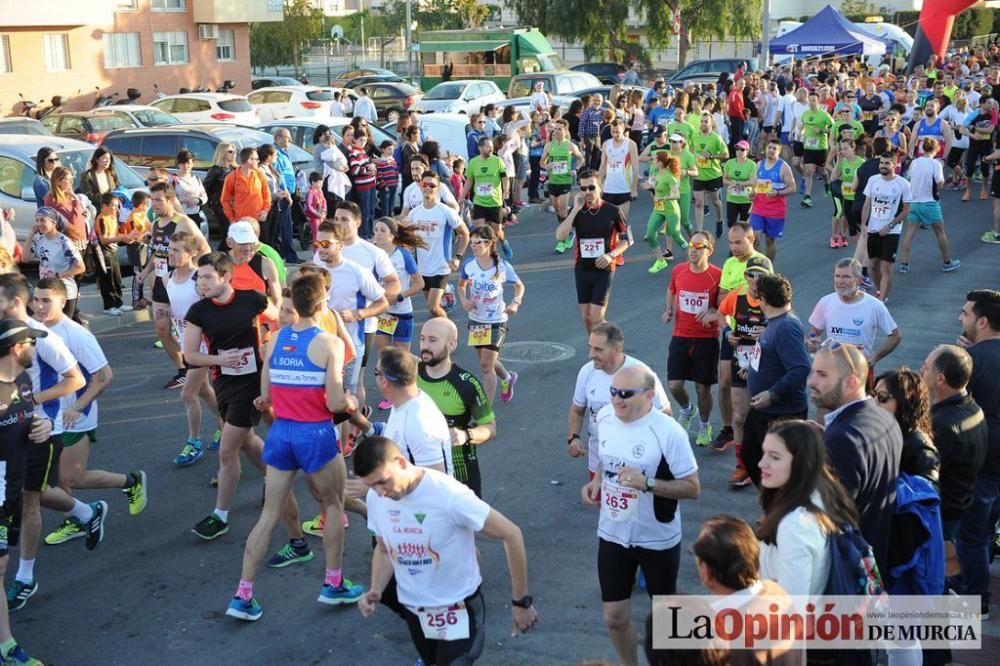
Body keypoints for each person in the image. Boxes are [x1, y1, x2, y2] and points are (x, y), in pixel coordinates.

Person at [225, 272, 363, 622]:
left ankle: (243, 595)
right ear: (321, 305)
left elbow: (265, 398)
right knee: (332, 506)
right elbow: (334, 403)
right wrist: (350, 399)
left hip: (282, 434)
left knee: (269, 515)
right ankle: (332, 584)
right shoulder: (329, 343)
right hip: (314, 434)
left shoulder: (275, 339)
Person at [356, 435, 538, 665]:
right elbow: (383, 550)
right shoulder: (376, 499)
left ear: (401, 462)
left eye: (383, 481)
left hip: (459, 607)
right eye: (371, 485)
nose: (380, 492)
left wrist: (521, 601)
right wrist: (376, 588)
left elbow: (511, 534)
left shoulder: (448, 494)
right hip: (415, 610)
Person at [581, 364, 699, 666]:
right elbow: (606, 464)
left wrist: (647, 484)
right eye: (613, 392)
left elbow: (692, 488)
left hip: (657, 537)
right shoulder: (605, 418)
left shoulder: (668, 432)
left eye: (625, 394)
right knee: (613, 618)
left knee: (666, 617)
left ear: (649, 396)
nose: (617, 399)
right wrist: (595, 483)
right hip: (613, 533)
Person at [30, 277, 148, 544]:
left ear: (63, 300)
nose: (39, 306)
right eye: (36, 299)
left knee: (72, 476)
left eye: (46, 300)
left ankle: (131, 482)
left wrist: (77, 406)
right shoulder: (33, 329)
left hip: (74, 415)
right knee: (59, 476)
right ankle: (76, 519)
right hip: (47, 416)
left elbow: (104, 375)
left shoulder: (76, 334)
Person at [183, 252, 279, 540]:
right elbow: (190, 355)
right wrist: (221, 361)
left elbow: (281, 321)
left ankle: (220, 515)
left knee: (227, 451)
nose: (202, 283)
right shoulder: (199, 311)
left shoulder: (253, 299)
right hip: (224, 383)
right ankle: (276, 478)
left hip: (253, 383)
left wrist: (270, 348)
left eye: (208, 277)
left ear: (226, 277)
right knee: (247, 440)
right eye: (199, 278)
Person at [808, 338, 902, 571]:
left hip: (847, 572)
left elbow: (829, 519)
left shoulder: (843, 439)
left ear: (851, 382)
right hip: (876, 560)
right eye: (812, 372)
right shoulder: (885, 419)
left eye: (822, 374)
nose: (811, 381)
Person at [0, 318, 55, 666]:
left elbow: (29, 418)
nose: (36, 348)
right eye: (31, 342)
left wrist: (42, 425)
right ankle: (6, 646)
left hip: (11, 492)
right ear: (17, 347)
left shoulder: (21, 381)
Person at [757, 420, 861, 595]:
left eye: (774, 457)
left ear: (801, 463)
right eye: (764, 453)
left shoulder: (795, 525)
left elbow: (792, 611)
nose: (762, 463)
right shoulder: (825, 494)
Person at [567, 322, 671, 481]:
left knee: (634, 506)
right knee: (602, 505)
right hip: (598, 461)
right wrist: (573, 438)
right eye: (590, 347)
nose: (591, 355)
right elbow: (577, 410)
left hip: (635, 465)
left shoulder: (641, 374)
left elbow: (665, 416)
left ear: (617, 349)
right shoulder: (587, 372)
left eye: (598, 349)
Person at [138, 181, 211, 390]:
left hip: (181, 281)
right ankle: (183, 370)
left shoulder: (184, 222)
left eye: (159, 200)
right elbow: (158, 251)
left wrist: (194, 274)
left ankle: (201, 366)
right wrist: (146, 271)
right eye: (152, 200)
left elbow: (204, 248)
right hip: (162, 284)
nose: (155, 205)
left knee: (187, 328)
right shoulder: (155, 224)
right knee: (162, 329)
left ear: (170, 199)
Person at [741, 274, 810, 488]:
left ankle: (779, 508)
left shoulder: (786, 327)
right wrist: (753, 367)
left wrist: (772, 394)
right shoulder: (776, 323)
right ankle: (772, 504)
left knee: (779, 470)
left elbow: (801, 368)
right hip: (765, 411)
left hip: (781, 412)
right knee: (752, 455)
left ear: (764, 299)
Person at [956, 289, 1000, 616]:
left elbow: (954, 409)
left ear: (982, 321)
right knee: (986, 530)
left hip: (982, 459)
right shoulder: (978, 356)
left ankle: (976, 600)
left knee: (971, 535)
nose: (961, 318)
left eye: (966, 313)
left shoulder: (972, 361)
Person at [332, 202, 400, 414]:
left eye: (344, 219)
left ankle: (353, 429)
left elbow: (394, 284)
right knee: (332, 377)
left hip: (362, 326)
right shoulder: (325, 249)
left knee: (355, 379)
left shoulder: (371, 252)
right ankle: (352, 419)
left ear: (358, 222)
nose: (339, 224)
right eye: (336, 219)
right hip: (329, 324)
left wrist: (366, 307)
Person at [417, 317, 496, 498]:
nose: (425, 346)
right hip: (419, 468)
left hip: (460, 470)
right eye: (422, 338)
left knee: (462, 525)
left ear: (451, 345)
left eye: (433, 340)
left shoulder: (467, 384)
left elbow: (491, 428)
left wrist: (466, 435)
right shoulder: (412, 374)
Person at [165, 231, 222, 466]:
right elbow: (174, 307)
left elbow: (211, 308)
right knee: (203, 390)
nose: (170, 253)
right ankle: (226, 423)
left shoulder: (198, 279)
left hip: (202, 344)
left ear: (191, 253)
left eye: (176, 250)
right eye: (170, 249)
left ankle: (194, 442)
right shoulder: (168, 276)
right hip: (185, 340)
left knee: (187, 393)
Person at [922, 344, 988, 545]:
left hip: (940, 516)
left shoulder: (942, 424)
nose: (921, 371)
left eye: (926, 368)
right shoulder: (973, 408)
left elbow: (921, 473)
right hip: (959, 507)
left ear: (940, 378)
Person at [715, 253, 772, 488]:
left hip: (767, 364)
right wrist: (728, 333)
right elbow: (720, 314)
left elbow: (787, 324)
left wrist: (767, 334)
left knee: (763, 418)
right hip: (741, 359)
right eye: (751, 274)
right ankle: (742, 466)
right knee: (739, 417)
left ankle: (765, 464)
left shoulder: (774, 299)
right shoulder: (736, 296)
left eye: (760, 275)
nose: (754, 279)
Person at [555, 170, 633, 334]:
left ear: (601, 187)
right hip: (582, 268)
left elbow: (627, 240)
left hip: (604, 268)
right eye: (583, 189)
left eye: (591, 187)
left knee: (597, 317)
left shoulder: (613, 211)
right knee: (586, 318)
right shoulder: (577, 211)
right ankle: (594, 348)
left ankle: (606, 344)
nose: (587, 192)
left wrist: (611, 254)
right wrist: (575, 209)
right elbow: (560, 236)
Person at [664, 231, 722, 446]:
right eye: (691, 245)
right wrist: (668, 309)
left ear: (709, 251)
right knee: (674, 385)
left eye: (699, 246)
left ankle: (705, 424)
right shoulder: (678, 270)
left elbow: (726, 302)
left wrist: (714, 311)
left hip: (706, 338)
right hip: (681, 335)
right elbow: (671, 290)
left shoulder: (717, 275)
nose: (693, 249)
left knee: (702, 387)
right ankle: (688, 410)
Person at [807, 258, 902, 386]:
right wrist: (812, 340)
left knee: (859, 406)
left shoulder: (874, 306)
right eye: (837, 276)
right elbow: (815, 331)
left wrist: (875, 358)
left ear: (859, 279)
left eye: (846, 277)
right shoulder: (826, 302)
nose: (840, 281)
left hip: (860, 371)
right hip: (832, 369)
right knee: (829, 405)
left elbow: (895, 336)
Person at [457, 224, 523, 403]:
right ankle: (508, 378)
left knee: (486, 366)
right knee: (487, 362)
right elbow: (461, 286)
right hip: (476, 320)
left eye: (478, 242)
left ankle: (485, 411)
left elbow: (519, 286)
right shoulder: (469, 265)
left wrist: (515, 303)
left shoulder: (502, 267)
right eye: (472, 242)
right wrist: (464, 301)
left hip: (497, 321)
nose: (474, 246)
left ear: (490, 243)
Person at [406, 172, 470, 319]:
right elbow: (409, 238)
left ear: (438, 187)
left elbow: (465, 233)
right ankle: (441, 334)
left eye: (432, 185)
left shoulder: (446, 211)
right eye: (425, 185)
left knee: (433, 307)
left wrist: (458, 257)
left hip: (441, 266)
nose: (428, 188)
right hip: (422, 267)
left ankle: (449, 332)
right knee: (432, 310)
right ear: (420, 186)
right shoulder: (414, 213)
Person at [897, 137, 961, 273]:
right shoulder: (935, 164)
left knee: (909, 234)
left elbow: (909, 179)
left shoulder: (914, 162)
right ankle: (947, 262)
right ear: (936, 149)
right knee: (940, 232)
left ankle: (904, 263)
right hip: (930, 203)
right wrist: (936, 190)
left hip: (914, 203)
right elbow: (940, 182)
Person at [371, 217, 426, 360]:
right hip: (382, 313)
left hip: (402, 313)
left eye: (383, 230)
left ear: (392, 235)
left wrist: (399, 296)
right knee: (385, 357)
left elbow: (420, 284)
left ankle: (416, 364)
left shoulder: (403, 255)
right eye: (376, 230)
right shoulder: (372, 254)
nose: (378, 233)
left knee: (401, 359)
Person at [872, 368, 940, 483]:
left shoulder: (920, 448)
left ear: (904, 401)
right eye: (873, 394)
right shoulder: (881, 430)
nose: (873, 402)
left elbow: (927, 492)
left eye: (882, 397)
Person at [860, 153, 911, 301]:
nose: (883, 166)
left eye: (887, 163)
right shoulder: (873, 180)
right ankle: (879, 291)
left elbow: (907, 209)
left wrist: (890, 226)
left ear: (894, 165)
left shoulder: (903, 184)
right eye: (881, 163)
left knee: (886, 267)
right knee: (874, 265)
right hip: (873, 229)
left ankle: (881, 299)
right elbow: (867, 203)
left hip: (891, 231)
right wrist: (864, 224)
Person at [21, 207, 84, 320]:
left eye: (43, 220)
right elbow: (25, 258)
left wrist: (58, 275)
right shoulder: (39, 240)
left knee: (62, 329)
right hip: (47, 292)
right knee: (50, 326)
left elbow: (80, 267)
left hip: (65, 292)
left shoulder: (64, 242)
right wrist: (30, 235)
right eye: (37, 220)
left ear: (53, 221)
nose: (39, 224)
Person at [747, 138, 796, 261]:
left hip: (775, 210)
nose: (771, 150)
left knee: (770, 241)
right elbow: (755, 186)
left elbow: (792, 188)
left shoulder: (784, 167)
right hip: (759, 208)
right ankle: (760, 263)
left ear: (779, 151)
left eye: (775, 148)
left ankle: (769, 267)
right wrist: (753, 193)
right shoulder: (759, 165)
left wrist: (778, 193)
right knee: (755, 237)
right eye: (769, 147)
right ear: (765, 149)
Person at [640, 151, 686, 273]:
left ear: (660, 163)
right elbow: (658, 186)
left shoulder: (670, 176)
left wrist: (663, 198)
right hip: (659, 209)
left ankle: (695, 255)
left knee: (675, 234)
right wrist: (650, 186)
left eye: (654, 159)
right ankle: (660, 261)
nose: (652, 161)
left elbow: (676, 195)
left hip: (671, 209)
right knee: (650, 234)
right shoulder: (657, 173)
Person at [541, 123, 584, 254]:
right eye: (555, 129)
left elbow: (581, 159)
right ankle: (569, 232)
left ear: (565, 131)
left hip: (565, 181)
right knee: (557, 210)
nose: (557, 131)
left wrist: (575, 169)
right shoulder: (549, 146)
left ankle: (563, 239)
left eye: (559, 129)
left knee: (563, 209)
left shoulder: (570, 145)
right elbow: (542, 162)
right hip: (553, 181)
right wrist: (547, 166)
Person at [690, 112, 728, 232]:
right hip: (698, 175)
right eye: (702, 121)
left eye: (706, 122)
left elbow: (726, 154)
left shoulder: (716, 138)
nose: (703, 124)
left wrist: (712, 156)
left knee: (716, 202)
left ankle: (719, 220)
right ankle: (699, 231)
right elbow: (691, 149)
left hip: (713, 175)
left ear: (711, 124)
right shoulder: (695, 136)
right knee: (699, 203)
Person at [794, 92, 833, 208]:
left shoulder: (824, 115)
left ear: (818, 101)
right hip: (808, 147)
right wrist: (800, 133)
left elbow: (832, 129)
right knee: (808, 171)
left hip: (821, 147)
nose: (811, 103)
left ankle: (827, 184)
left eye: (813, 100)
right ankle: (807, 197)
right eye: (810, 100)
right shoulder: (805, 114)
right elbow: (802, 127)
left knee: (823, 171)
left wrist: (821, 131)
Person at [221, 147, 271, 236]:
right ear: (249, 160)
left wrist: (265, 210)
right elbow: (225, 200)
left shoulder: (259, 174)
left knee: (263, 247)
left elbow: (266, 194)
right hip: (241, 222)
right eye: (256, 159)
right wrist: (232, 219)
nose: (258, 161)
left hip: (259, 220)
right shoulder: (232, 177)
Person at [597, 119, 640, 222]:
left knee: (621, 222)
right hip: (608, 189)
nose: (615, 135)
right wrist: (599, 184)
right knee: (607, 222)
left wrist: (634, 189)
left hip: (624, 188)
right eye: (613, 132)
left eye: (617, 132)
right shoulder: (606, 144)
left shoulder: (630, 144)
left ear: (623, 129)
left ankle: (624, 238)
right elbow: (602, 166)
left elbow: (635, 168)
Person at [93, 193, 128, 315]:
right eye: (113, 206)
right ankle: (109, 306)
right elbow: (103, 239)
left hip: (113, 250)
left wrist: (125, 237)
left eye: (118, 206)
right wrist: (121, 238)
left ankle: (119, 302)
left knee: (117, 278)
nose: (116, 209)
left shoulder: (113, 217)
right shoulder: (102, 218)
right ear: (104, 206)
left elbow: (116, 234)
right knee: (107, 279)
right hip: (103, 251)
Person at [203, 142, 237, 248]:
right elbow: (205, 188)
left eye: (234, 152)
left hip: (234, 206)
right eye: (230, 152)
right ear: (222, 152)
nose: (233, 154)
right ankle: (220, 258)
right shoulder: (216, 170)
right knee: (228, 232)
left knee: (233, 233)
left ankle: (225, 257)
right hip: (220, 206)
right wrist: (211, 206)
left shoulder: (234, 169)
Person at [721, 140, 755, 237]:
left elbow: (752, 181)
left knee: (744, 225)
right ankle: (733, 246)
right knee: (731, 223)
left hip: (746, 199)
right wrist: (732, 183)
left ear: (747, 151)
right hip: (732, 198)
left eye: (742, 149)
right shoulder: (729, 163)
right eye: (737, 149)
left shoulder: (751, 164)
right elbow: (724, 179)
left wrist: (739, 184)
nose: (739, 151)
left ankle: (743, 247)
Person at [171, 150, 208, 231]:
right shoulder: (173, 179)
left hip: (195, 215)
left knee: (194, 240)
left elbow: (204, 197)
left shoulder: (196, 179)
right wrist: (179, 200)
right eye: (182, 163)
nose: (185, 166)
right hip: (178, 215)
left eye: (188, 163)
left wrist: (197, 200)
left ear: (192, 164)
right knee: (179, 239)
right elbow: (167, 197)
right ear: (178, 164)